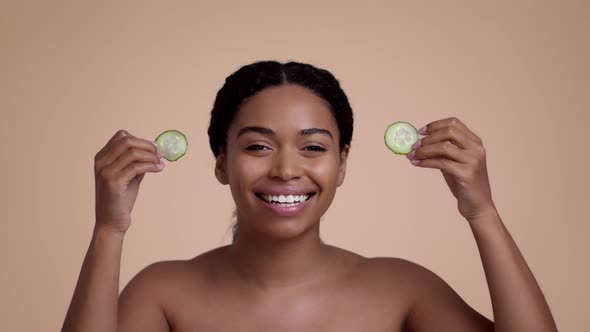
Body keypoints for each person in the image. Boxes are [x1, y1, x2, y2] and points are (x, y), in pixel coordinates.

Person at [62, 61, 557, 332]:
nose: (285, 168)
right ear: (220, 162)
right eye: (257, 145)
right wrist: (109, 229)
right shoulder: (164, 293)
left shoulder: (404, 289)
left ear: (341, 164)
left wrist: (482, 211)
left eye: (313, 147)